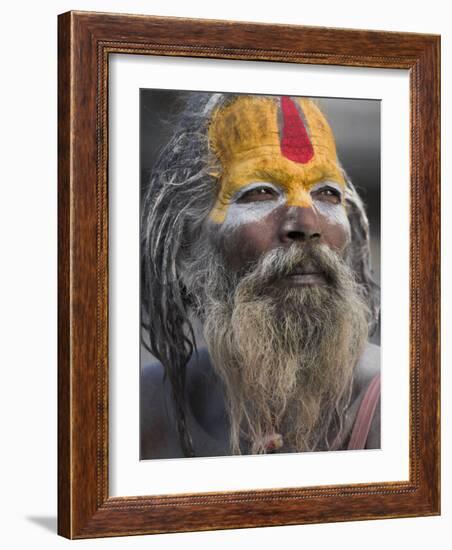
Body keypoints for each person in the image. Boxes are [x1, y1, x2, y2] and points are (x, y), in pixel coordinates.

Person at [140, 93, 381, 459]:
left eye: (327, 193)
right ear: (189, 252)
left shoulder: (400, 401)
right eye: (261, 192)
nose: (305, 224)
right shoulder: (145, 410)